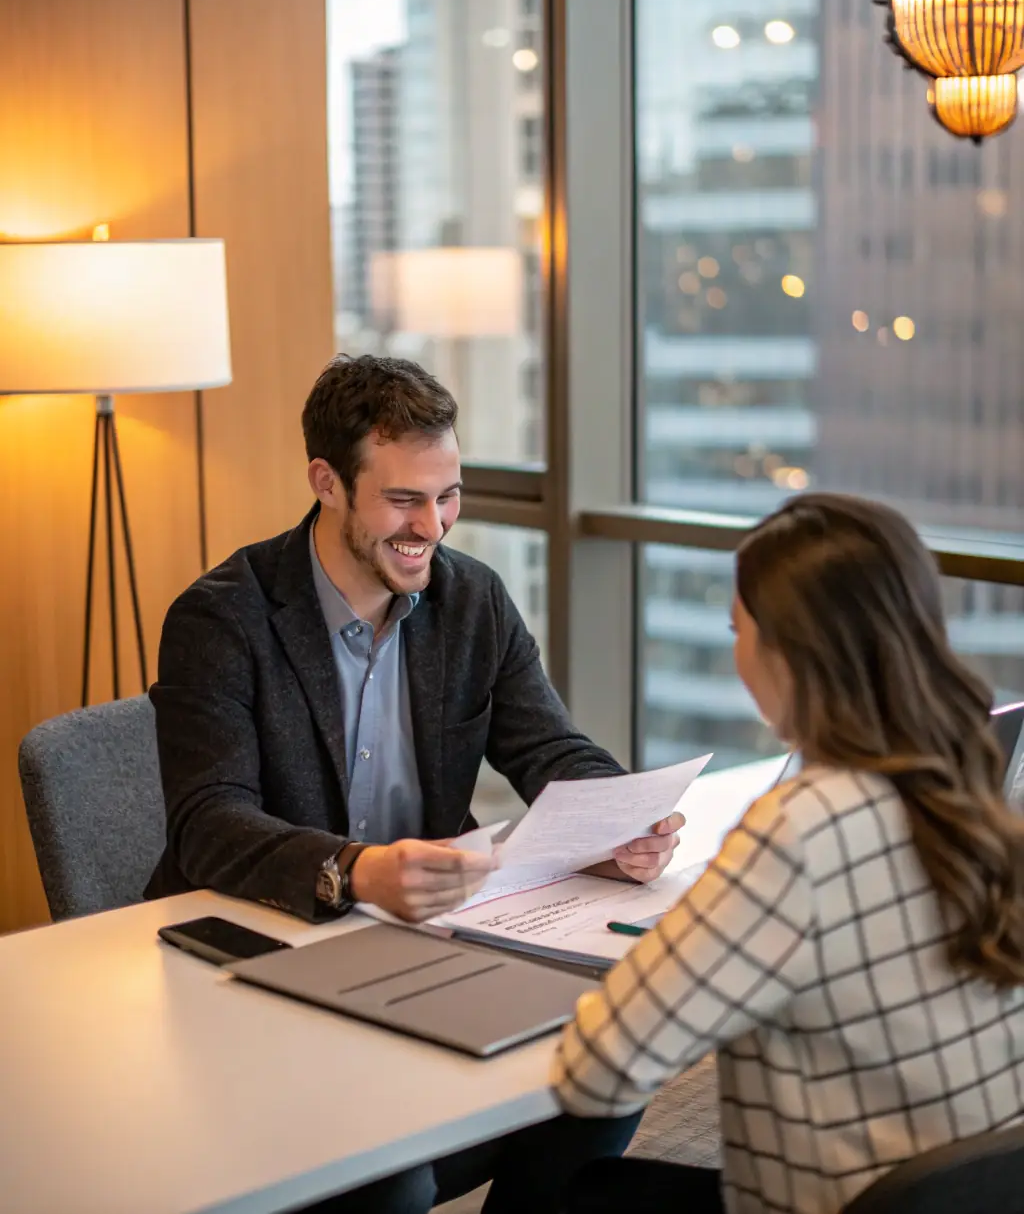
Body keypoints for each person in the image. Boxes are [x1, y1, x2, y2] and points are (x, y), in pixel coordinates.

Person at [146, 353, 684, 1214]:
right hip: (258, 952)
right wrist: (356, 869)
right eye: (404, 499)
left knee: (610, 1073)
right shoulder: (222, 617)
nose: (432, 526)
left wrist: (625, 817)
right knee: (387, 1178)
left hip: (426, 945)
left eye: (449, 495)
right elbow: (208, 825)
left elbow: (549, 747)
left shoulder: (472, 600)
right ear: (327, 481)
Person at [554, 492, 1024, 1214]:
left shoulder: (803, 829)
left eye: (737, 627)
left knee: (577, 1193)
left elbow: (599, 1072)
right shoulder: (977, 792)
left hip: (836, 1199)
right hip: (965, 1192)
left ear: (787, 650)